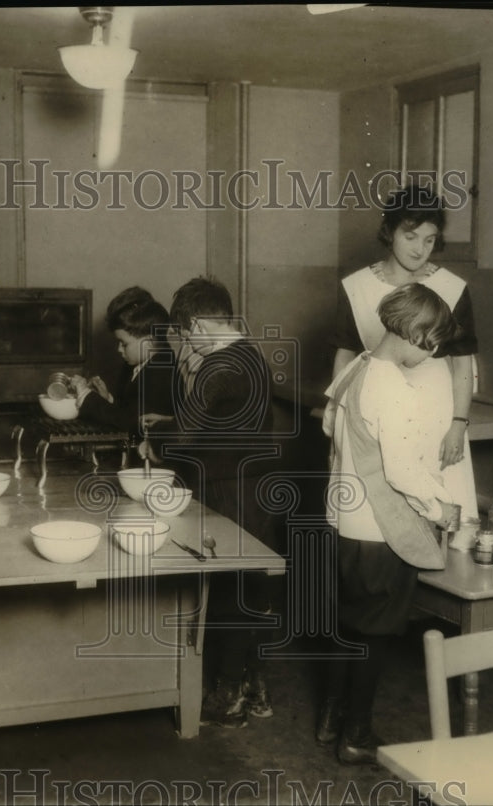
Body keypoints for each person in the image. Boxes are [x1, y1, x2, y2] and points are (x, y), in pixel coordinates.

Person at [320, 284, 460, 765]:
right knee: (375, 635)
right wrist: (441, 510)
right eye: (434, 342)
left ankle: (330, 720)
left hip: (342, 520)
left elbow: (329, 430)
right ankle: (357, 735)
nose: (434, 352)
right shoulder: (394, 388)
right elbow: (401, 472)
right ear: (416, 333)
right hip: (379, 530)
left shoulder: (354, 369)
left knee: (349, 625)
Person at [141, 277, 280, 728]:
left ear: (200, 324)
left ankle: (226, 699)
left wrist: (154, 440)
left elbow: (186, 436)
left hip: (230, 491)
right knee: (253, 590)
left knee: (227, 593)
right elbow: (222, 422)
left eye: (187, 332)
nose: (188, 343)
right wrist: (172, 419)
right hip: (256, 486)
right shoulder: (249, 355)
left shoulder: (219, 365)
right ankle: (255, 690)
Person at [333, 184, 478, 521]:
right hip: (375, 408)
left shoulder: (453, 288)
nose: (419, 250)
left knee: (440, 505)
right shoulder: (355, 287)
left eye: (429, 240)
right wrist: (339, 423)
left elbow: (462, 364)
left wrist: (458, 424)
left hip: (436, 410)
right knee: (378, 508)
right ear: (390, 232)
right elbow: (344, 357)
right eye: (411, 237)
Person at [70, 288, 176, 443]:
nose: (119, 349)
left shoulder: (161, 372)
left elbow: (132, 423)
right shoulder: (137, 364)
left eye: (124, 344)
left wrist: (86, 396)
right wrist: (108, 400)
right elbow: (129, 411)